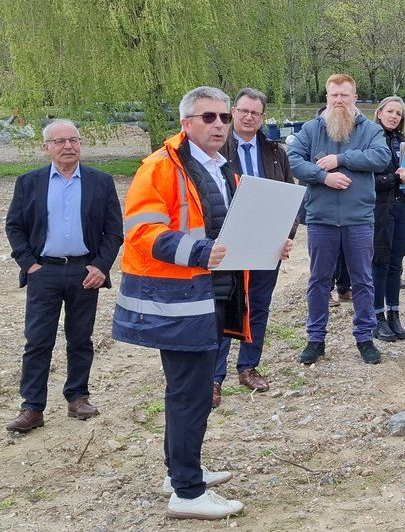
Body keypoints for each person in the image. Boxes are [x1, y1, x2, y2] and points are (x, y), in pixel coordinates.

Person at [113, 86, 290, 519]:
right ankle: (188, 493)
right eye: (208, 117)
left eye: (224, 118)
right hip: (180, 302)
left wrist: (270, 243)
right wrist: (196, 252)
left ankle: (181, 470)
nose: (218, 125)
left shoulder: (219, 168)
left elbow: (229, 229)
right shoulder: (160, 168)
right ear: (185, 123)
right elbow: (140, 232)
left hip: (214, 296)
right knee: (190, 394)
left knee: (188, 392)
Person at [4, 120, 122, 433]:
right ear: (47, 147)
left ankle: (77, 397)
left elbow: (113, 231)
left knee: (80, 338)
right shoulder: (30, 182)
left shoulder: (101, 181)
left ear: (80, 144)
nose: (68, 146)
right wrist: (28, 264)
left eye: (73, 140)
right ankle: (32, 408)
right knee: (38, 341)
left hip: (86, 272)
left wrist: (101, 266)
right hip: (44, 272)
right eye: (59, 141)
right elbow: (14, 226)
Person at [288, 74, 391, 365]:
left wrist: (342, 160)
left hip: (358, 218)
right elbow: (294, 160)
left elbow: (381, 158)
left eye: (344, 95)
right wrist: (323, 176)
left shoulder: (370, 130)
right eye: (333, 95)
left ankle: (364, 338)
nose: (339, 101)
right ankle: (315, 339)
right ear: (327, 97)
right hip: (321, 218)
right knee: (319, 280)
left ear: (354, 97)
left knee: (362, 280)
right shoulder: (310, 129)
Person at [210, 88, 295, 409]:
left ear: (262, 117)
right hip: (226, 241)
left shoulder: (275, 152)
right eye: (243, 111)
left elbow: (288, 197)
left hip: (266, 242)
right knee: (222, 309)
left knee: (257, 306)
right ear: (234, 112)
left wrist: (285, 236)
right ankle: (213, 378)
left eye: (255, 113)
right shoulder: (217, 147)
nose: (248, 117)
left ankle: (248, 366)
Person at [370, 96, 405, 342]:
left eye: (398, 113)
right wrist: (395, 179)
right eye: (390, 111)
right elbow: (367, 181)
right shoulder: (370, 140)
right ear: (379, 113)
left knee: (395, 264)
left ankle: (394, 314)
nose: (394, 116)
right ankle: (375, 317)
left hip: (402, 207)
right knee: (379, 262)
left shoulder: (402, 141)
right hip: (379, 209)